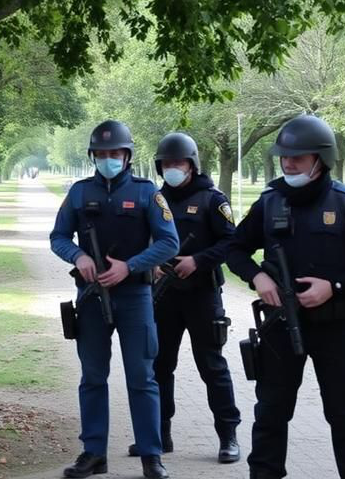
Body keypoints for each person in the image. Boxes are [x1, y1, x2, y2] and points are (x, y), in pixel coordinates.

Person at [225, 114, 345, 479]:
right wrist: (257, 277)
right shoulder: (269, 202)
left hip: (336, 326)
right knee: (270, 413)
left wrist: (334, 287)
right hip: (279, 325)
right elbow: (234, 249)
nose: (288, 163)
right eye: (284, 157)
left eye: (297, 157)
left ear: (321, 158)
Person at [50, 120, 180, 479]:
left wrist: (130, 266)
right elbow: (58, 236)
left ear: (127, 156)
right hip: (91, 297)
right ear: (93, 156)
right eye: (102, 153)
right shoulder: (79, 192)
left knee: (142, 378)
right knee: (93, 377)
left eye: (115, 153)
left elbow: (170, 242)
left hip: (135, 296)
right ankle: (94, 453)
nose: (108, 159)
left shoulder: (147, 192)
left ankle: (151, 456)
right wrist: (78, 256)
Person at [127, 132, 241, 463]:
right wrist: (152, 265)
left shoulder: (212, 199)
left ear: (192, 164)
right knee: (160, 366)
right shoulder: (154, 198)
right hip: (164, 294)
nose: (173, 168)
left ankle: (228, 437)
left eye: (178, 162)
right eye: (167, 163)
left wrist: (198, 261)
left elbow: (231, 242)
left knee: (212, 366)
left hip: (202, 294)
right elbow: (142, 240)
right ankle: (159, 435)